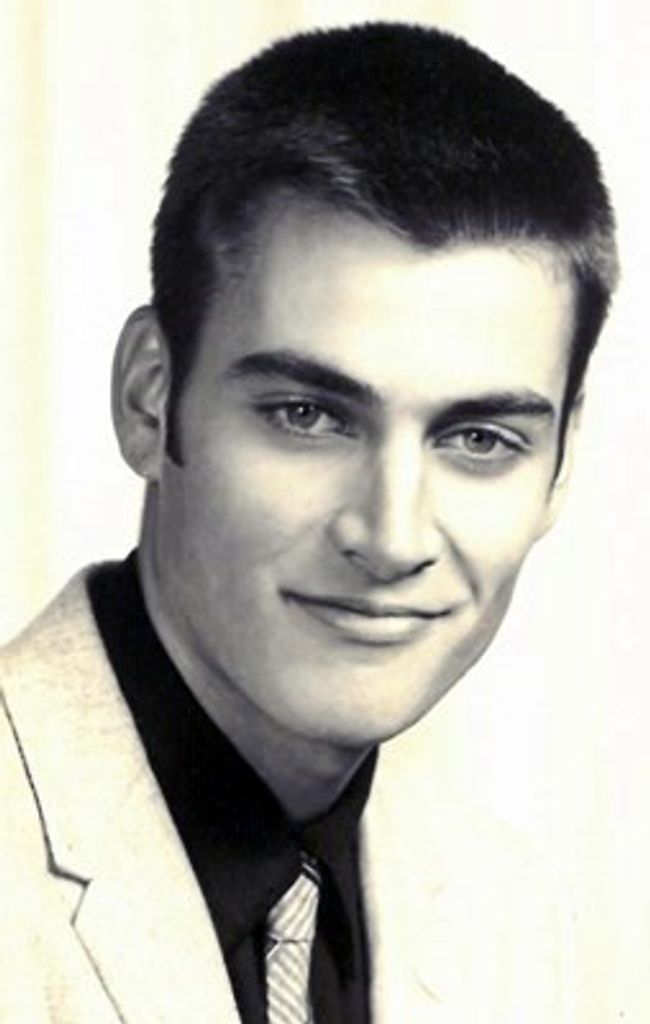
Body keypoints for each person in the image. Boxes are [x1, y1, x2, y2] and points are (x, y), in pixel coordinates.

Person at [0, 21, 618, 1024]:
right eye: (307, 416)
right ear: (150, 399)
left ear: (559, 466)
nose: (391, 536)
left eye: (478, 438)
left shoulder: (511, 918)